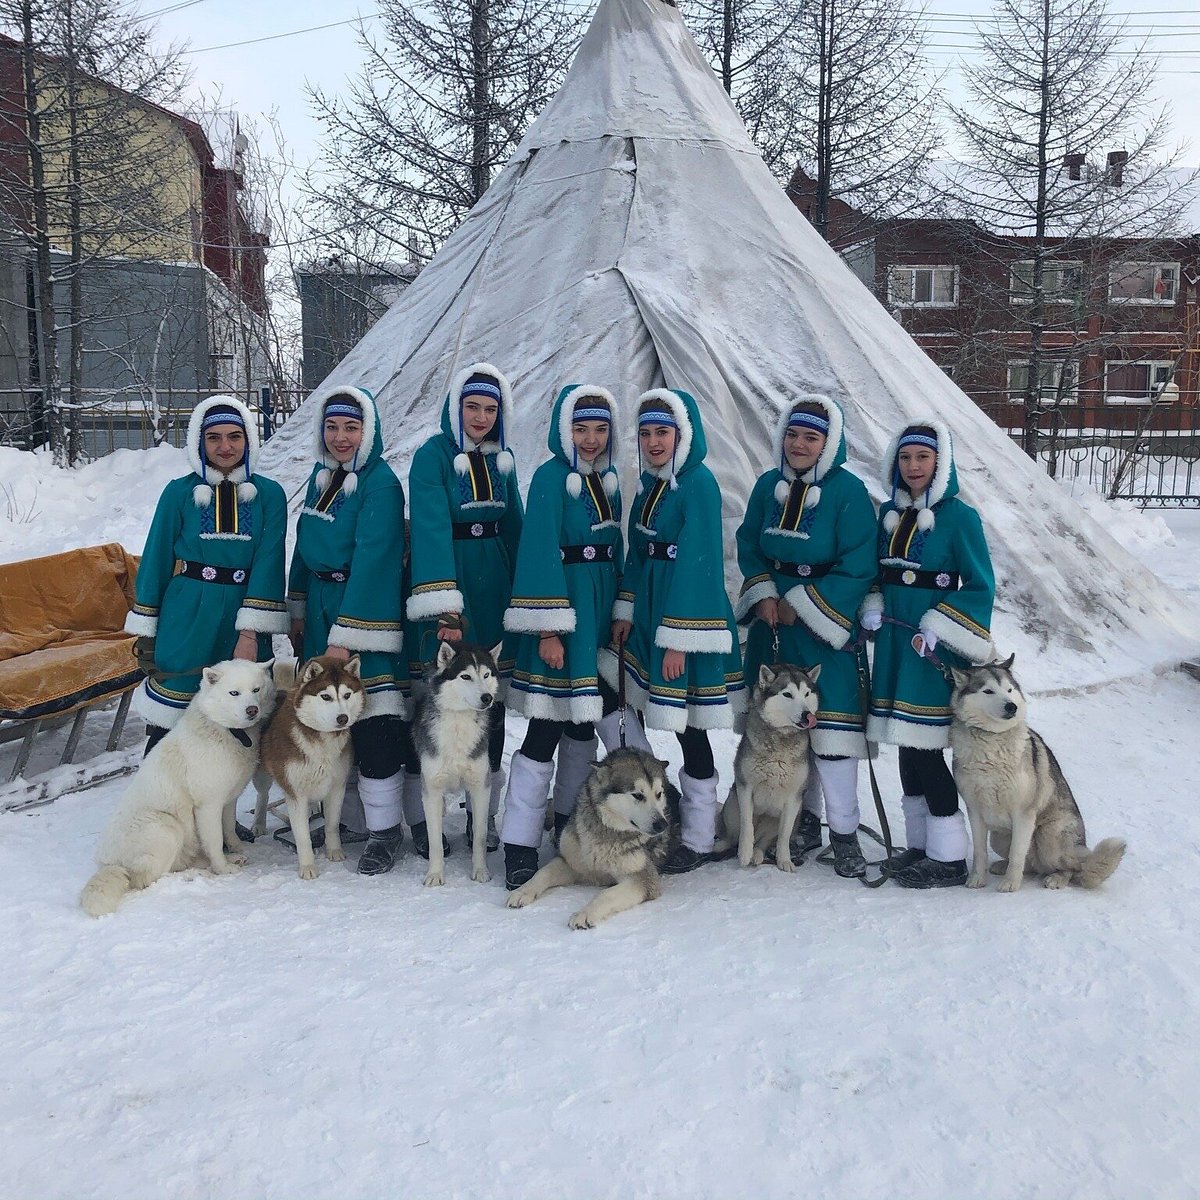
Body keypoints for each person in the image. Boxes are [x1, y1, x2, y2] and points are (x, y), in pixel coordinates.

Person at [500, 385, 653, 890]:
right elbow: (538, 550)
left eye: (600, 429)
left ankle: (568, 823)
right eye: (581, 429)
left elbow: (617, 548)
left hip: (600, 611)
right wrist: (548, 626)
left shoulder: (608, 479)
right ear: (564, 431)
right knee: (545, 729)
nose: (590, 440)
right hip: (564, 614)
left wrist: (621, 607)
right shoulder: (549, 478)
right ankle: (519, 843)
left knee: (586, 725)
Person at [602, 387, 744, 874]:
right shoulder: (651, 484)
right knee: (618, 694)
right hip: (649, 613)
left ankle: (700, 837)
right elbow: (640, 551)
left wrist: (679, 641)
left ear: (682, 435)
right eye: (645, 434)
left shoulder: (699, 484)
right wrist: (625, 608)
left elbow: (700, 564)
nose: (653, 442)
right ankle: (659, 795)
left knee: (691, 731)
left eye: (662, 432)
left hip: (687, 617)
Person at [735, 395, 877, 876]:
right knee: (782, 731)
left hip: (825, 629)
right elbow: (748, 544)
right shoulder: (766, 486)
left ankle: (845, 835)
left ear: (828, 444)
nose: (799, 444)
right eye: (793, 435)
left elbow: (859, 562)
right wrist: (765, 594)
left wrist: (804, 605)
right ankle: (804, 821)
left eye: (811, 437)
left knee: (831, 735)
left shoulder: (849, 492)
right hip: (774, 625)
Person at [861, 420, 996, 888]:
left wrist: (939, 627)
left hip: (929, 648)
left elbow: (981, 585)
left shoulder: (961, 518)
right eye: (905, 458)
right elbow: (875, 574)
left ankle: (950, 856)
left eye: (922, 458)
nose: (913, 466)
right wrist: (874, 604)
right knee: (906, 743)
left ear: (940, 463)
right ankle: (920, 845)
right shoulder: (886, 514)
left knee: (926, 748)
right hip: (897, 644)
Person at [287, 385, 410, 876]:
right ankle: (352, 818)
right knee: (333, 725)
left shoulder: (381, 484)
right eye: (333, 427)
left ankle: (384, 831)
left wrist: (347, 635)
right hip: (319, 607)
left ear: (369, 432)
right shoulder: (323, 479)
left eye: (352, 428)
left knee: (374, 720)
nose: (341, 437)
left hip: (362, 614)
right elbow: (303, 547)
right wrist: (297, 608)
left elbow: (375, 559)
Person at [126, 395, 287, 762]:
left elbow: (269, 563)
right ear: (199, 443)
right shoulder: (179, 492)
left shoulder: (269, 495)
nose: (225, 446)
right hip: (187, 612)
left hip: (242, 614)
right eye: (214, 438)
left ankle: (221, 816)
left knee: (239, 716)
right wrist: (147, 627)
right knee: (173, 715)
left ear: (249, 440)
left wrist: (250, 634)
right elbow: (156, 557)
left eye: (235, 436)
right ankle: (162, 804)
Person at [405, 363, 524, 857]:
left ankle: (483, 813)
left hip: (494, 579)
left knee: (487, 699)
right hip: (449, 578)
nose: (480, 417)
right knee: (432, 701)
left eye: (490, 408)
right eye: (472, 407)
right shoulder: (431, 457)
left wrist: (530, 595)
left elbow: (514, 521)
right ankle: (417, 818)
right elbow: (430, 528)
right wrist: (444, 608)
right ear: (456, 410)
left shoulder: (503, 457)